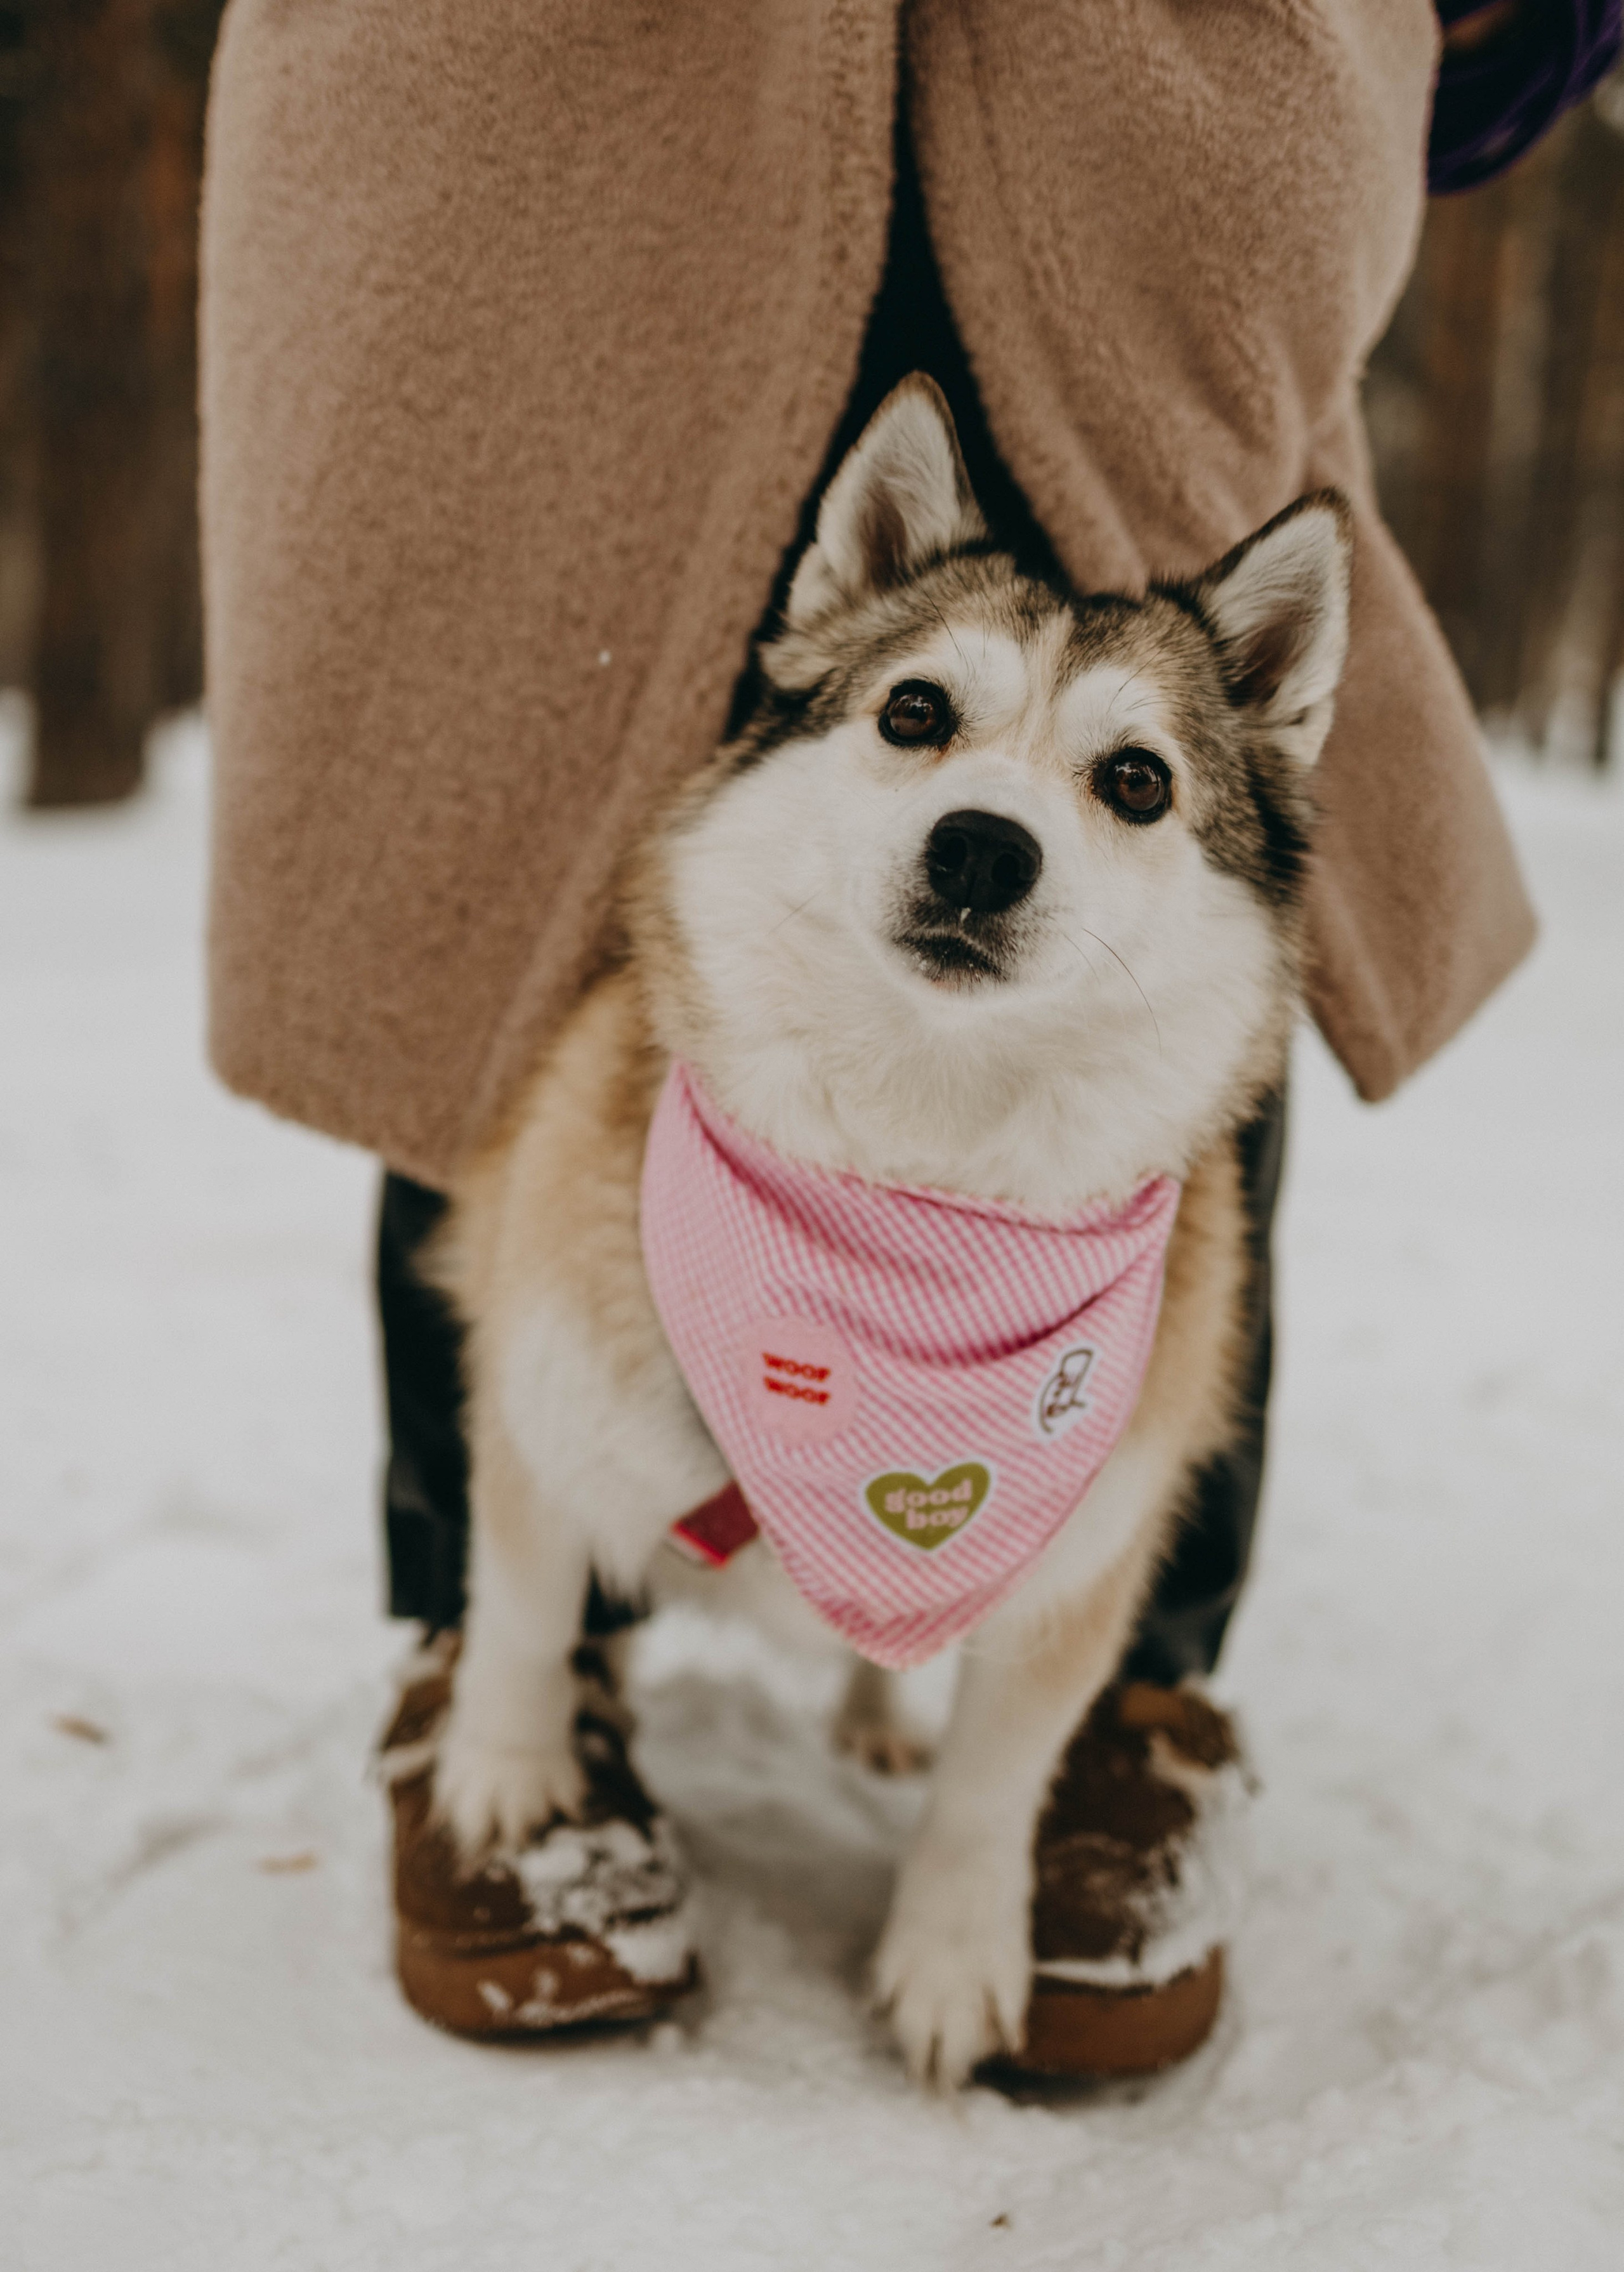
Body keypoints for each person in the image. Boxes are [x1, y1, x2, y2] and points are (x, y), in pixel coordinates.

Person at [199, 0, 1617, 2073]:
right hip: (559, 71)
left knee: (1140, 946)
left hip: (1174, 73)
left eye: (1111, 782)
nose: (995, 816)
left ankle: (1114, 1701)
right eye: (935, 735)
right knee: (527, 743)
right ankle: (504, 1657)